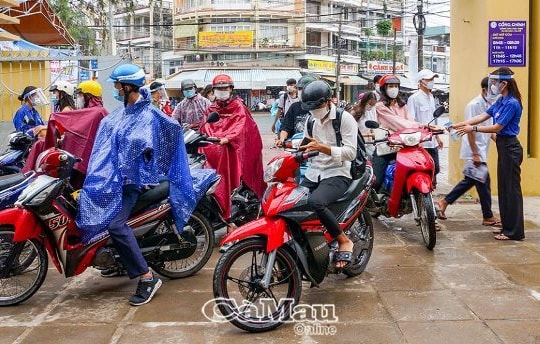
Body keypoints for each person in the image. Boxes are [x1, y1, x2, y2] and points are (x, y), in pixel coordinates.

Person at [77, 64, 198, 305]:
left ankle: (147, 277)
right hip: (114, 182)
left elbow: (168, 131)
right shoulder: (124, 112)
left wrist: (148, 165)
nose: (114, 88)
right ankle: (119, 261)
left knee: (115, 225)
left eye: (116, 85)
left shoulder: (146, 115)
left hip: (132, 185)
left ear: (127, 86)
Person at [453, 67, 524, 241]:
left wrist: (473, 129)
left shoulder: (512, 103)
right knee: (504, 189)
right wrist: (458, 125)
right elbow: (482, 116)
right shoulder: (501, 100)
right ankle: (507, 227)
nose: (492, 85)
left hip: (510, 148)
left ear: (504, 83)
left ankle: (514, 232)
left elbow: (497, 127)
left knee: (512, 190)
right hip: (503, 148)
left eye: (495, 82)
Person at [298, 80, 357, 269]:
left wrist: (323, 148)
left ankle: (343, 240)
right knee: (292, 202)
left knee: (316, 202)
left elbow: (351, 153)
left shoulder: (345, 118)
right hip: (314, 171)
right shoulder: (310, 120)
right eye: (310, 108)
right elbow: (306, 144)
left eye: (317, 106)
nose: (314, 111)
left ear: (328, 101)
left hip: (338, 171)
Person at [200, 74, 266, 231]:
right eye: (219, 89)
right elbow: (205, 126)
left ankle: (231, 219)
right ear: (214, 91)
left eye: (225, 88)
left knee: (227, 182)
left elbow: (240, 127)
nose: (222, 91)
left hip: (233, 151)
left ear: (231, 89)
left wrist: (227, 138)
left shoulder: (238, 107)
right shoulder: (212, 108)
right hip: (214, 149)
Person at [437, 77, 500, 227]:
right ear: (485, 89)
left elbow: (489, 126)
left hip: (481, 149)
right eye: (494, 88)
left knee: (473, 181)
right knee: (481, 181)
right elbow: (470, 129)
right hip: (474, 149)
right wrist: (475, 153)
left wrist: (498, 141)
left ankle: (445, 202)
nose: (496, 91)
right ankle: (487, 216)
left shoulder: (490, 103)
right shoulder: (474, 105)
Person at [22, 80, 109, 187]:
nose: (79, 98)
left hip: (88, 160)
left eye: (81, 95)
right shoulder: (89, 111)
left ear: (88, 96)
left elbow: (74, 128)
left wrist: (55, 121)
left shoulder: (97, 112)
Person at [372, 74, 432, 192]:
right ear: (384, 89)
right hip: (387, 147)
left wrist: (423, 128)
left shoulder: (402, 105)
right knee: (376, 181)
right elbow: (399, 123)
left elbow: (409, 121)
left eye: (396, 86)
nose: (394, 89)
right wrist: (423, 126)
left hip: (404, 146)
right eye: (390, 86)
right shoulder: (380, 107)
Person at [407, 69, 444, 188]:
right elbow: (411, 121)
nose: (431, 82)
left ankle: (429, 189)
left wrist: (438, 137)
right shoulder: (414, 98)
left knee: (436, 168)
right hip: (421, 141)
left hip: (432, 140)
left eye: (432, 79)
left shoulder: (431, 97)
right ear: (421, 82)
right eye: (429, 79)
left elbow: (434, 119)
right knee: (424, 169)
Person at [275, 74, 318, 146]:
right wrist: (282, 140)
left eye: (303, 88)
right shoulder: (294, 107)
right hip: (297, 146)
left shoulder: (319, 108)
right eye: (299, 88)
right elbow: (286, 127)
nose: (300, 91)